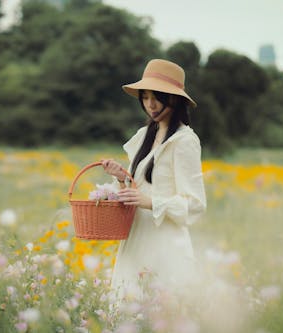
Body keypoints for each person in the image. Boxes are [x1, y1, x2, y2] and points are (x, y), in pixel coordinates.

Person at [101, 59, 206, 300]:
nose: (151, 104)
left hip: (164, 243)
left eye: (158, 96)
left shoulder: (184, 141)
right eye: (145, 97)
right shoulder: (146, 134)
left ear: (175, 99)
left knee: (161, 313)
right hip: (136, 237)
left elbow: (195, 204)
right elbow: (140, 189)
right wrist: (122, 179)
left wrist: (150, 202)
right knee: (127, 310)